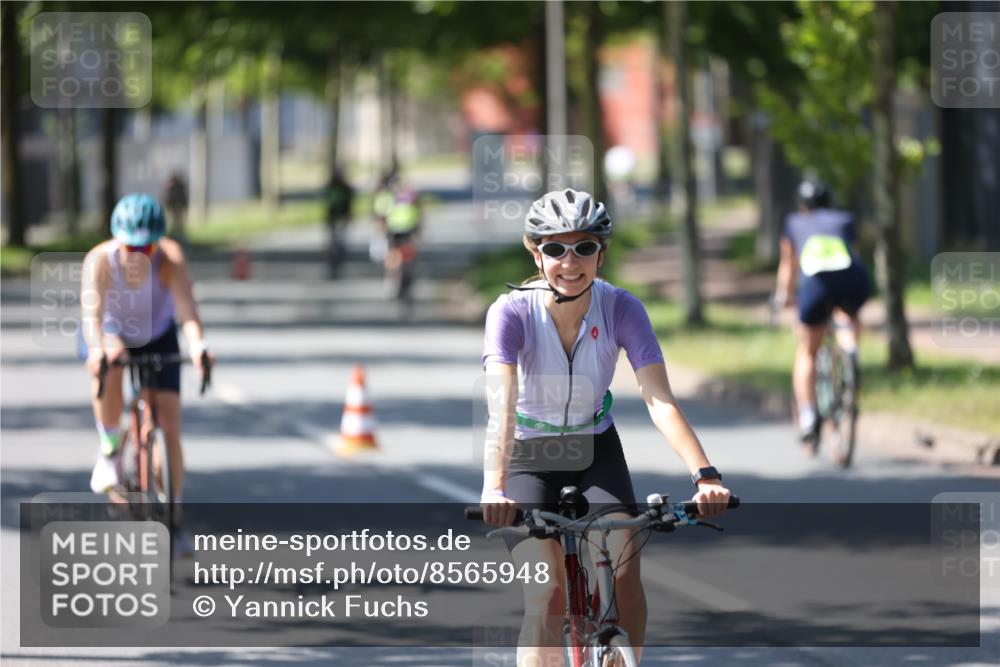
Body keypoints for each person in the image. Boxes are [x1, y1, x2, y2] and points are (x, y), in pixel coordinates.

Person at [479, 189, 733, 665]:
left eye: (584, 248)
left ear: (602, 252)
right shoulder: (510, 313)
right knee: (548, 591)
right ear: (535, 252)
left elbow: (660, 400)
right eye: (555, 248)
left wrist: (706, 476)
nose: (569, 262)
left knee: (623, 568)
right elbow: (503, 410)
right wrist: (495, 488)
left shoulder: (621, 308)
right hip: (527, 454)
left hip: (595, 446)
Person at [80, 193, 213, 554]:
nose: (139, 255)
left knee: (169, 429)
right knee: (113, 359)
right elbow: (91, 318)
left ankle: (173, 516)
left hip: (157, 334)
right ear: (117, 241)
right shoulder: (100, 261)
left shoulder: (170, 259)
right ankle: (109, 450)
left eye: (147, 248)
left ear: (158, 243)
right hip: (111, 331)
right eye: (130, 248)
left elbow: (187, 313)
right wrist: (96, 352)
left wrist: (199, 347)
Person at [775, 180, 871, 445]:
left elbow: (788, 267)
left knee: (807, 350)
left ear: (801, 205)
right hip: (853, 281)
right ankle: (850, 351)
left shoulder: (794, 222)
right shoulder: (845, 218)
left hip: (816, 285)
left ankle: (808, 416)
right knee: (847, 314)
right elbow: (854, 255)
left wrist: (784, 297)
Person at [325, 168, 354, 276]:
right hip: (333, 218)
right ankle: (332, 262)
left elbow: (349, 203)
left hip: (342, 217)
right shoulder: (331, 188)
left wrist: (349, 216)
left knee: (340, 240)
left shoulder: (345, 188)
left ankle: (340, 259)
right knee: (332, 242)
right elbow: (328, 205)